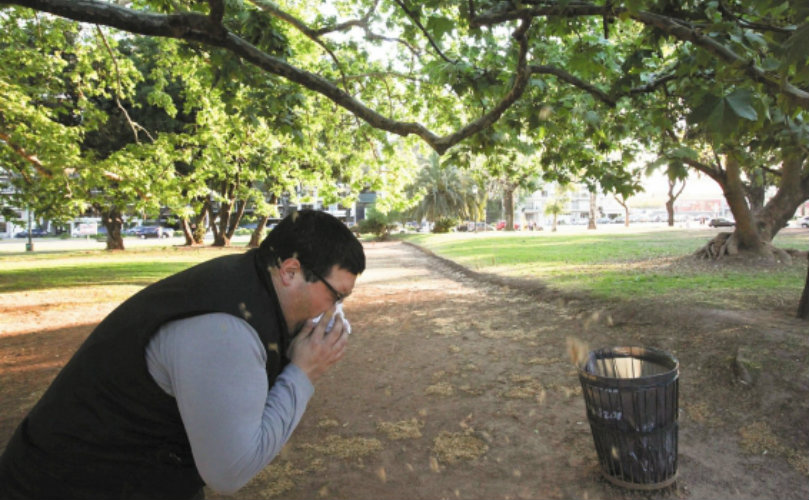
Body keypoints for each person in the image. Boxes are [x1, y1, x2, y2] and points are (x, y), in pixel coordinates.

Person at [0, 209, 365, 499]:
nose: (335, 309)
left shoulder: (248, 281)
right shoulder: (226, 332)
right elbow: (230, 471)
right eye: (337, 296)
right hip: (64, 486)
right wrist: (303, 373)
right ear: (290, 271)